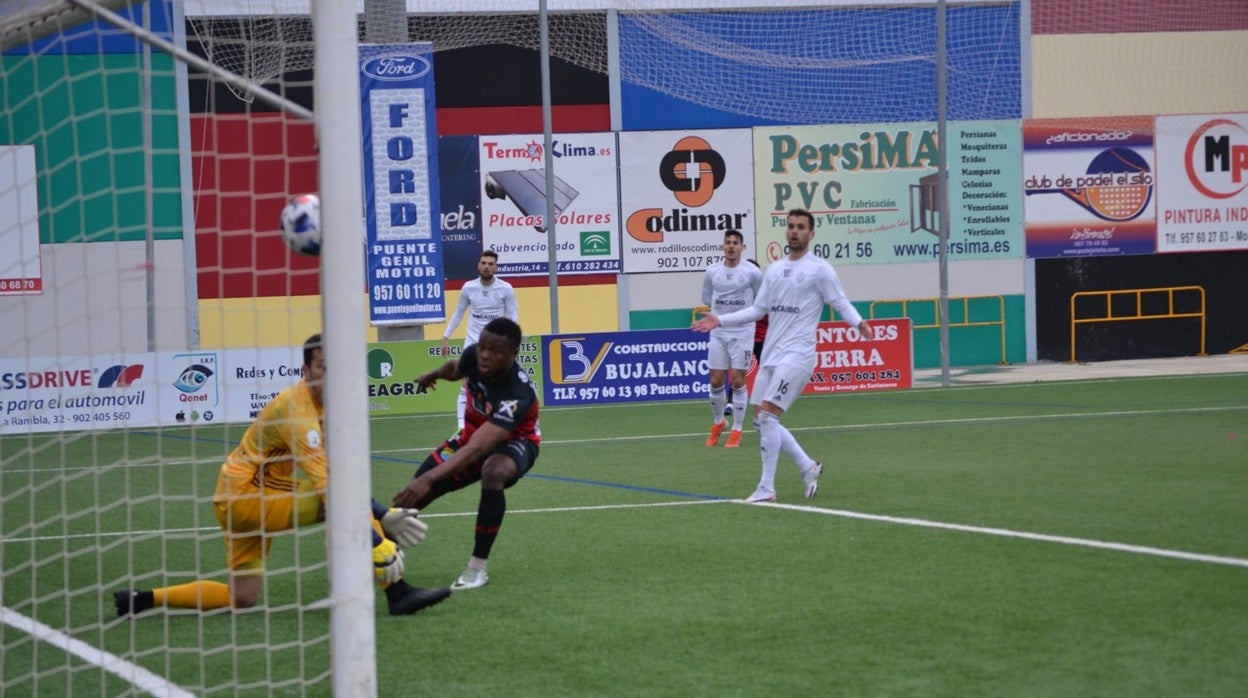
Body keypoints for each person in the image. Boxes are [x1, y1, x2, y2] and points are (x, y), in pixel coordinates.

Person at [114, 334, 451, 617]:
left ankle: (143, 600)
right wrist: (377, 543)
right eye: (323, 368)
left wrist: (382, 514)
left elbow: (337, 472)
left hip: (242, 497)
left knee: (241, 598)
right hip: (248, 496)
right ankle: (399, 593)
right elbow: (329, 489)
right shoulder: (298, 409)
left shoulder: (328, 406)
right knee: (340, 501)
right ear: (306, 370)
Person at [693, 209, 872, 503]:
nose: (794, 231)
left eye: (801, 227)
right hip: (773, 355)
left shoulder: (820, 270)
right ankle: (808, 467)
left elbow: (840, 302)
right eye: (790, 226)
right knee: (762, 420)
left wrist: (858, 322)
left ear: (811, 234)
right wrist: (721, 320)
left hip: (798, 355)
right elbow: (757, 310)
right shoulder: (774, 270)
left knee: (769, 416)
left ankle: (767, 487)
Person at [395, 317, 540, 591]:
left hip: (514, 443)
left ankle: (477, 568)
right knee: (412, 498)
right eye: (482, 347)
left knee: (492, 471)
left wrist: (429, 479)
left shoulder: (517, 395)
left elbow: (478, 450)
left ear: (513, 354)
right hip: (471, 435)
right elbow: (455, 368)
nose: (484, 355)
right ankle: (381, 553)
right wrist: (434, 374)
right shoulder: (476, 355)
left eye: (495, 351)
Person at [441, 249, 519, 430]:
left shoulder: (505, 289)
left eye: (491, 264)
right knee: (465, 383)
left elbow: (513, 315)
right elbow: (458, 313)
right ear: (478, 265)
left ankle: (496, 422)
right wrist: (446, 336)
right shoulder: (468, 287)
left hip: (496, 346)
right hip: (472, 344)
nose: (486, 267)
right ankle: (462, 426)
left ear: (496, 268)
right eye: (484, 263)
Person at [701, 230, 762, 448]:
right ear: (723, 246)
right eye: (728, 242)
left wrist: (739, 316)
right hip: (719, 331)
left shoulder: (752, 272)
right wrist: (722, 315)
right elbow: (707, 297)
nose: (731, 246)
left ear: (742, 247)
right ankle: (719, 423)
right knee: (716, 380)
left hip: (743, 331)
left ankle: (737, 429)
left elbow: (760, 299)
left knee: (737, 380)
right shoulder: (712, 271)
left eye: (736, 243)